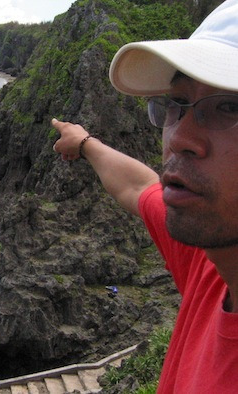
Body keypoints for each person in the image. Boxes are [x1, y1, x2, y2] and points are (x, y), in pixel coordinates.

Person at [52, 0, 238, 392]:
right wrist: (84, 142)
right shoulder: (213, 265)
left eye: (228, 107)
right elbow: (137, 187)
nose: (180, 139)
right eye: (177, 105)